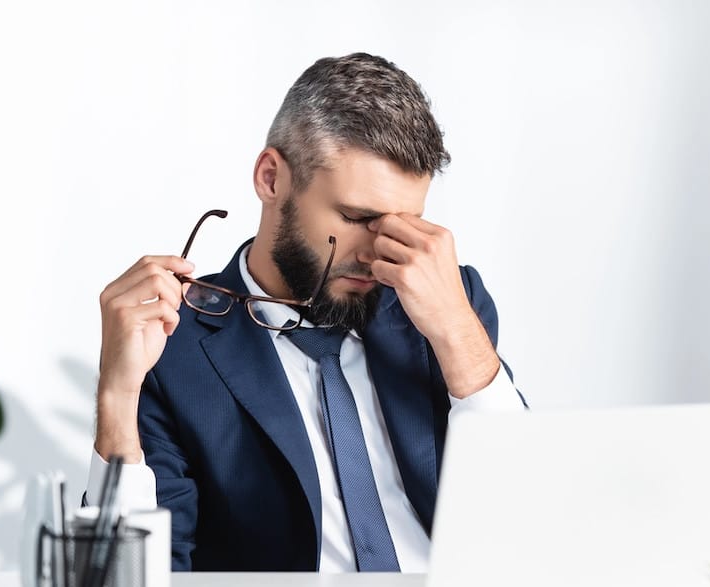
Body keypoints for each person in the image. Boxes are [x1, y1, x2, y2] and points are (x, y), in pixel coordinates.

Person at [87, 52, 526, 573]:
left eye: (406, 223)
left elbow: (528, 528)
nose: (377, 250)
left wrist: (456, 331)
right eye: (357, 217)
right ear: (272, 178)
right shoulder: (170, 344)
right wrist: (117, 395)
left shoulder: (448, 303)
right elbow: (137, 575)